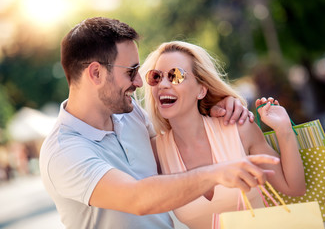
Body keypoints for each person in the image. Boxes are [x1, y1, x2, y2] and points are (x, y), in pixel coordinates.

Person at [39, 17, 280, 229]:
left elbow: (179, 134)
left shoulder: (131, 114)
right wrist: (216, 173)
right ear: (96, 73)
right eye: (131, 71)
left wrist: (218, 103)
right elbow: (137, 198)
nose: (140, 82)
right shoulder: (64, 152)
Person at [141, 41, 306, 229]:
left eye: (175, 76)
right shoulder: (155, 153)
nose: (162, 84)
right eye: (156, 77)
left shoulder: (239, 129)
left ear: (201, 89)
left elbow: (294, 188)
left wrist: (283, 129)